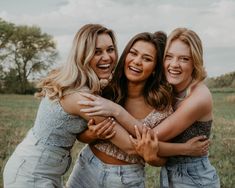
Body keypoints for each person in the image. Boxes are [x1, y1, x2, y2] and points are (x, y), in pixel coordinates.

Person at [79, 28, 220, 188]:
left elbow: (149, 141)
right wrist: (91, 134)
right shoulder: (106, 87)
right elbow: (79, 134)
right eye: (169, 57)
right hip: (87, 166)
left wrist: (116, 111)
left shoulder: (190, 99)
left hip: (190, 177)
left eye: (184, 59)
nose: (174, 64)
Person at [3, 24, 118, 188]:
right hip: (30, 174)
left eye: (110, 49)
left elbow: (78, 134)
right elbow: (124, 140)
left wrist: (91, 134)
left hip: (39, 168)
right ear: (82, 54)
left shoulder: (76, 80)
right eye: (97, 51)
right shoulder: (81, 97)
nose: (107, 57)